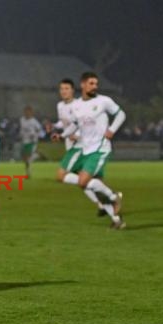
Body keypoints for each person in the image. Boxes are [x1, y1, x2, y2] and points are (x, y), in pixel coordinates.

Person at [57, 72, 126, 229]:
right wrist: (62, 136)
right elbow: (74, 124)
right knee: (64, 177)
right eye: (91, 83)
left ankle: (112, 197)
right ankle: (116, 218)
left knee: (83, 182)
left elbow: (121, 114)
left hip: (100, 148)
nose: (95, 86)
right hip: (85, 149)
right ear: (83, 84)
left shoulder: (104, 101)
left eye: (96, 84)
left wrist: (112, 130)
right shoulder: (77, 105)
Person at [49, 79, 106, 216]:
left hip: (81, 147)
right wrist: (55, 127)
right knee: (83, 182)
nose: (64, 91)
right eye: (62, 89)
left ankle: (106, 195)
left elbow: (84, 124)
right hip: (70, 147)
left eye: (67, 88)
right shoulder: (60, 106)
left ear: (73, 90)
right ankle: (103, 202)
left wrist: (78, 135)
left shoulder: (79, 105)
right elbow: (65, 123)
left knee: (62, 176)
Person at [19, 105, 43, 178]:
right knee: (24, 157)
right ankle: (36, 155)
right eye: (26, 112)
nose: (27, 113)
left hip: (32, 141)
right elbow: (22, 129)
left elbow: (39, 130)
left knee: (27, 157)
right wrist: (21, 134)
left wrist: (35, 135)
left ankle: (28, 173)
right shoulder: (22, 119)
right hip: (24, 140)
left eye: (29, 112)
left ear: (31, 113)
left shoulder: (34, 121)